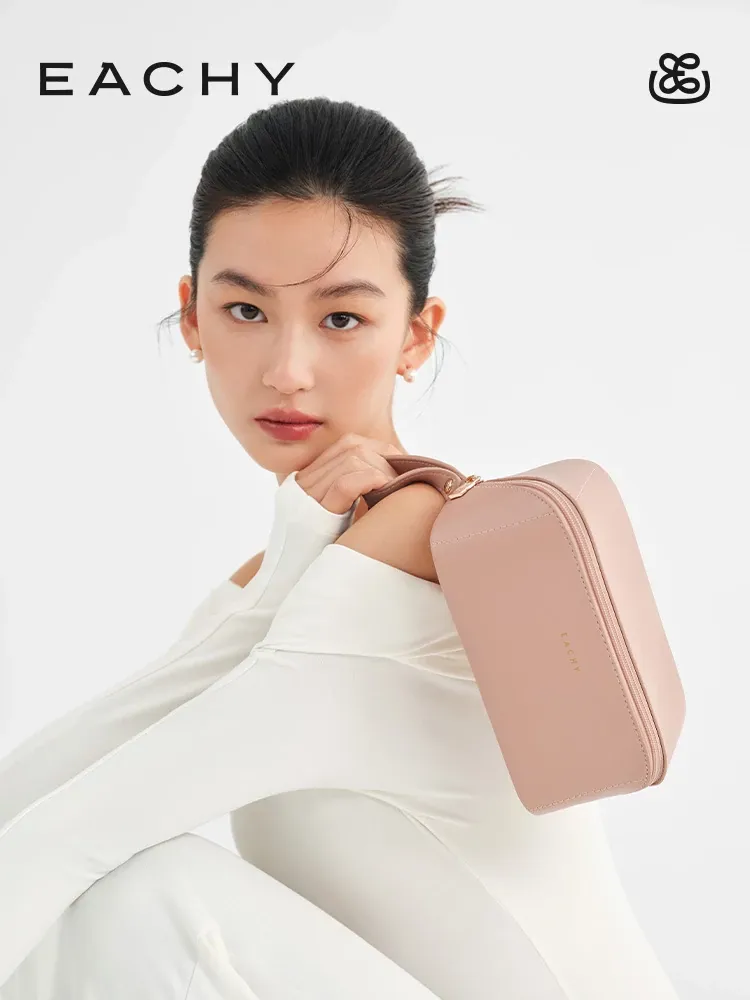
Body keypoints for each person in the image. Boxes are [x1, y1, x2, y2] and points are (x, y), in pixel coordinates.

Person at [0, 97, 681, 999]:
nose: (287, 369)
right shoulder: (281, 575)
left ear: (417, 334)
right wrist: (289, 562)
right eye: (245, 309)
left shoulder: (409, 550)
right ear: (192, 317)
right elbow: (31, 800)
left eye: (342, 319)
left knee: (138, 891)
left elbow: (73, 835)